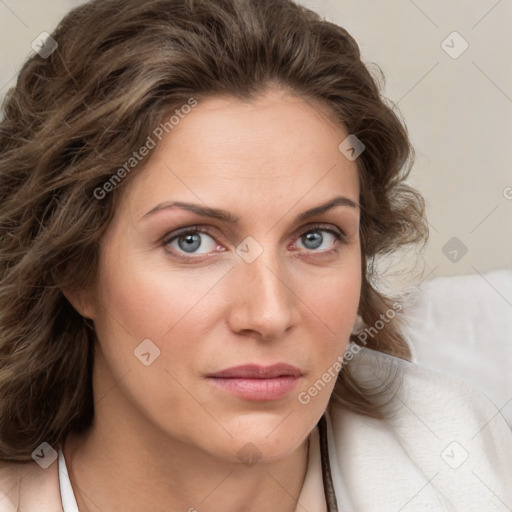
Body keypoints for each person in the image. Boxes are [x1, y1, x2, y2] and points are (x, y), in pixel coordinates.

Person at [0, 0, 510, 510]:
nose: (270, 313)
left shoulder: (459, 455)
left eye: (316, 237)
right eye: (192, 241)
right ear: (72, 267)